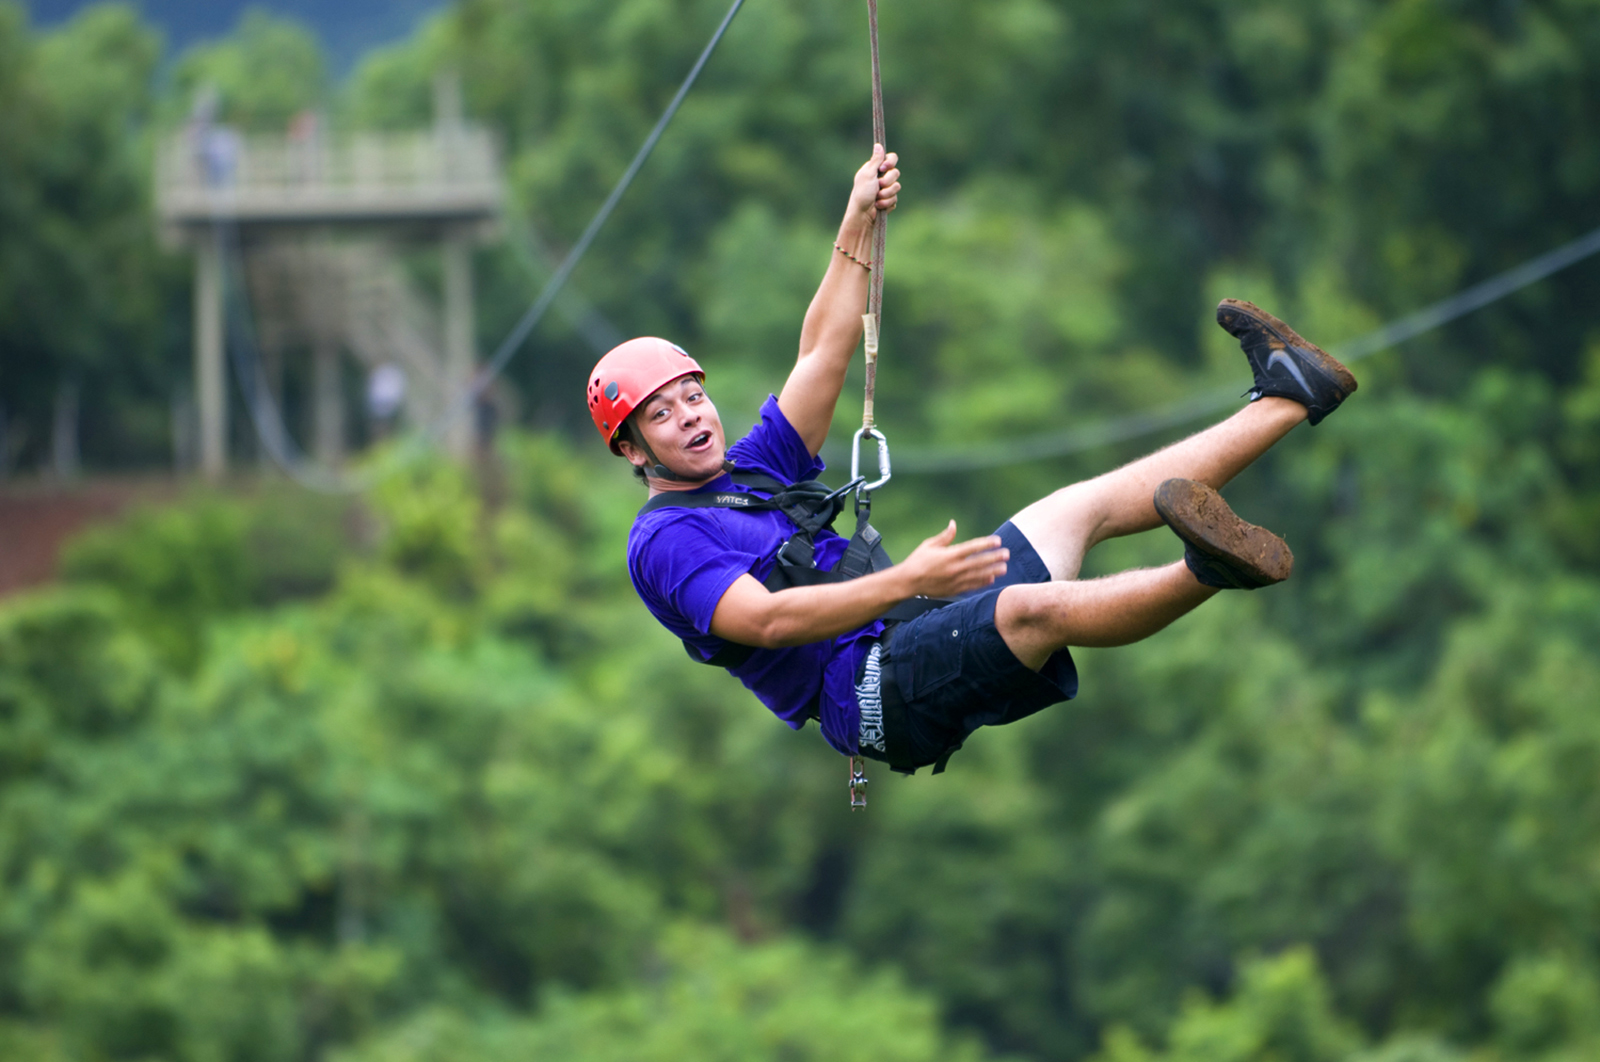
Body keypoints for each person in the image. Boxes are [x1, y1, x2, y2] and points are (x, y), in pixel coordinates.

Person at [584, 146, 1357, 774]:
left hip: (914, 621)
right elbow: (770, 618)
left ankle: (1288, 395)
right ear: (631, 447)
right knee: (1030, 610)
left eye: (692, 397)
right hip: (868, 696)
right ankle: (1211, 568)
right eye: (661, 414)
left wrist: (856, 222)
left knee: (1073, 508)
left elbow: (823, 348)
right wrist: (908, 579)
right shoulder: (663, 542)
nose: (690, 418)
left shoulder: (755, 472)